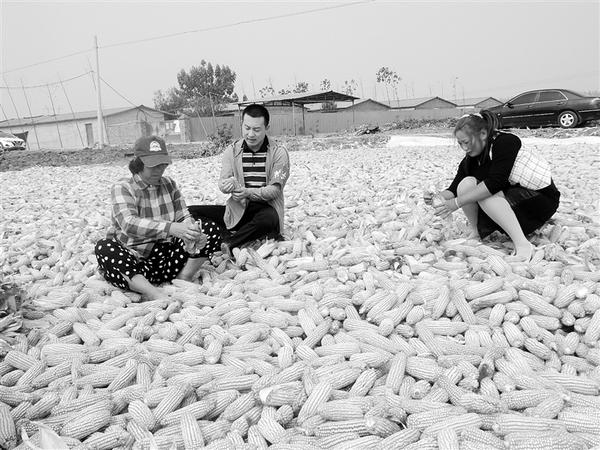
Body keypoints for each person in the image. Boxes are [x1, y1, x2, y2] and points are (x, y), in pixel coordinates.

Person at [94, 136, 222, 299]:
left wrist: (193, 233)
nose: (159, 170)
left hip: (167, 259)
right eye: (153, 166)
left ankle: (183, 276)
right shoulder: (123, 187)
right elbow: (129, 224)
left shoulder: (169, 184)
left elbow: (183, 215)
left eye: (162, 165)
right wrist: (170, 228)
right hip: (137, 261)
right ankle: (153, 292)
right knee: (104, 247)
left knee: (209, 228)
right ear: (138, 163)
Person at [429, 111, 560, 261]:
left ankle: (522, 244)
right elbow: (454, 189)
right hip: (511, 200)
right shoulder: (472, 158)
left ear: (483, 134)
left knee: (486, 193)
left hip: (540, 201)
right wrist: (438, 197)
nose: (464, 148)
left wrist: (457, 203)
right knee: (466, 184)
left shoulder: (506, 142)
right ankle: (477, 231)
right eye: (460, 144)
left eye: (466, 142)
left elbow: (495, 183)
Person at [188, 104, 290, 257]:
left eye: (256, 129)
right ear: (241, 124)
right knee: (189, 211)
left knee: (268, 218)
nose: (250, 134)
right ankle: (229, 235)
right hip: (238, 210)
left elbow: (274, 190)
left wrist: (247, 192)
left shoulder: (279, 153)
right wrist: (226, 185)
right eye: (247, 128)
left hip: (266, 210)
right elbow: (222, 183)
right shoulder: (232, 150)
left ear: (267, 128)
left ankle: (230, 242)